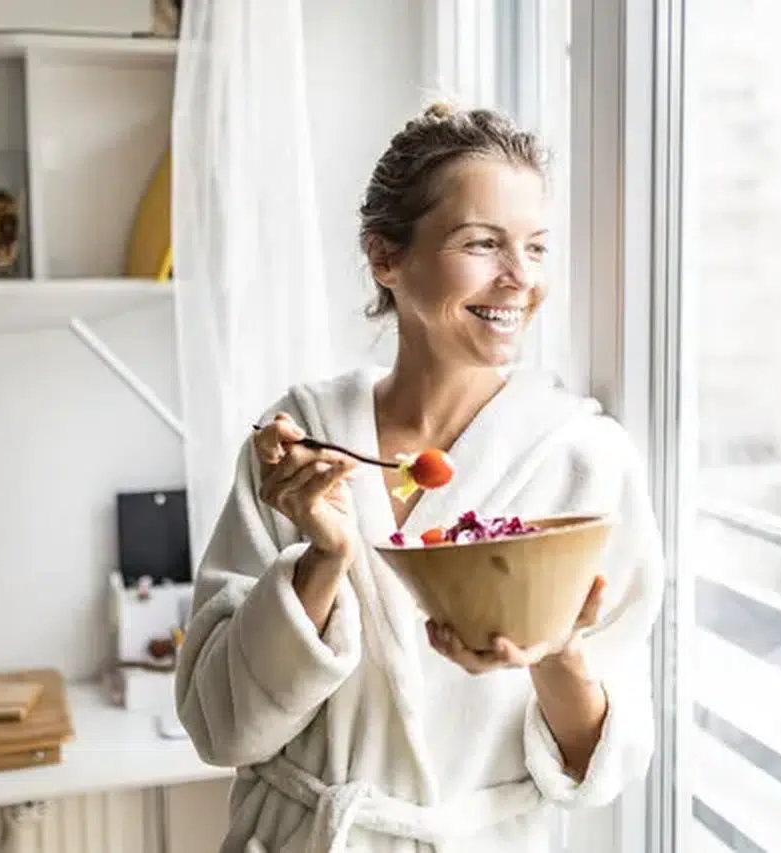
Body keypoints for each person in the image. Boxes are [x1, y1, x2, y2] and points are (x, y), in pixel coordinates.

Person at [174, 103, 665, 853]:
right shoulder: (300, 448)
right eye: (483, 243)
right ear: (386, 257)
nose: (521, 278)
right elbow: (222, 729)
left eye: (535, 247)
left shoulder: (585, 460)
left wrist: (557, 651)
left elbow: (601, 769)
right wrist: (322, 560)